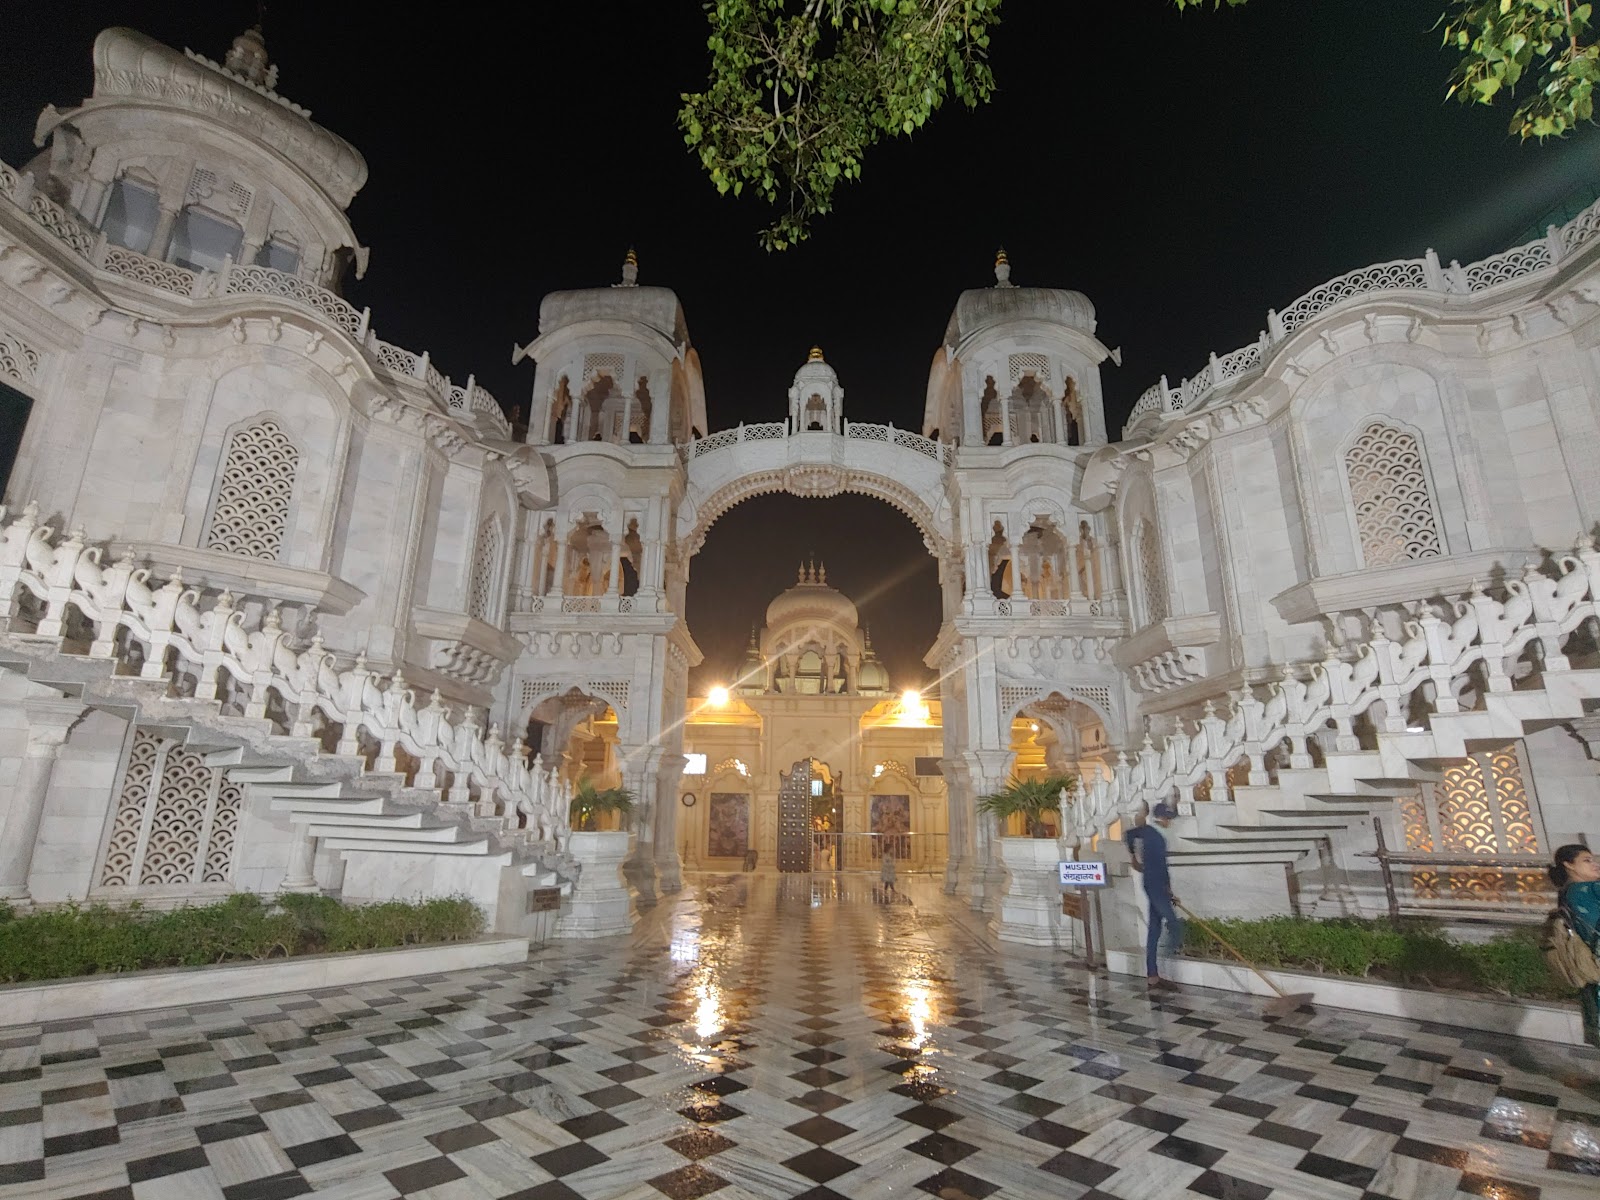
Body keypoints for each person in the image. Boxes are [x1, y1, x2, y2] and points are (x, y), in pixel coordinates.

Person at [1126, 801, 1181, 990]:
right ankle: (1167, 961)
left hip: (1153, 884)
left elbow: (1129, 835)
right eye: (1168, 818)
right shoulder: (1156, 836)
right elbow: (1161, 867)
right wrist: (1167, 889)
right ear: (1162, 818)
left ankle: (1153, 975)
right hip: (1156, 885)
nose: (1170, 822)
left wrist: (1133, 855)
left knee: (1154, 929)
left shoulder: (1148, 832)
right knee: (1174, 924)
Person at [1550, 843, 1600, 1047]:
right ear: (1569, 865)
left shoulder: (1566, 894)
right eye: (1587, 861)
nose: (1595, 865)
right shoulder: (1588, 889)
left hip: (1591, 975)